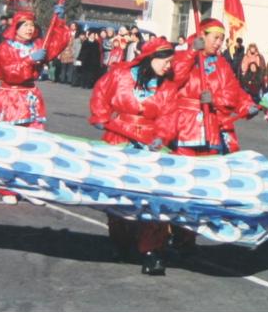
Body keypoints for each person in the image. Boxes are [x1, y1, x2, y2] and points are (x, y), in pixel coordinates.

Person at [89, 37, 180, 276]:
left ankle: (152, 251)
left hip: (149, 145)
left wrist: (162, 137)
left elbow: (169, 118)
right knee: (118, 195)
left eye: (171, 61)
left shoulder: (168, 87)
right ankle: (120, 242)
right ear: (151, 58)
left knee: (151, 198)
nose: (169, 66)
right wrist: (100, 115)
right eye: (165, 61)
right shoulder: (120, 75)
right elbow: (100, 93)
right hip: (117, 139)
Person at [167, 18, 259, 253]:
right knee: (180, 185)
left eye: (221, 39)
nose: (219, 43)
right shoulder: (183, 56)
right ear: (202, 35)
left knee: (202, 187)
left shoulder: (222, 64)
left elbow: (233, 91)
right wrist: (191, 53)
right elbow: (174, 79)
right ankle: (169, 232)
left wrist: (247, 104)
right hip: (184, 129)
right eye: (214, 38)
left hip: (211, 130)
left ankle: (187, 239)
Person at [0, 8, 67, 128]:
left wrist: (60, 21)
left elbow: (56, 45)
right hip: (11, 97)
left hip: (31, 97)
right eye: (25, 25)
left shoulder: (38, 45)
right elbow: (10, 73)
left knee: (33, 136)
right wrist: (30, 60)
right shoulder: (5, 47)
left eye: (32, 25)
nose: (30, 29)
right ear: (16, 27)